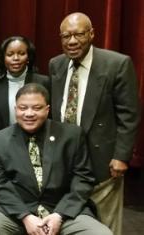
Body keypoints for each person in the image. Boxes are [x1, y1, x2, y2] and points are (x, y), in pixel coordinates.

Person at [49, 12, 140, 235]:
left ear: (91, 34)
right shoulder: (56, 64)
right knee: (72, 220)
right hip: (66, 158)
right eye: (65, 36)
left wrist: (121, 155)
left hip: (104, 159)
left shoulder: (117, 64)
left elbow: (129, 114)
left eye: (78, 34)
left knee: (106, 222)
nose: (72, 41)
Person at [0, 83, 112, 235]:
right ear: (16, 109)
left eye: (36, 108)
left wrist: (59, 215)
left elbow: (83, 179)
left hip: (63, 210)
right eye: (23, 108)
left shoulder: (71, 135)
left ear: (47, 109)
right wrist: (25, 216)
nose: (29, 113)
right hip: (16, 211)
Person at [0, 36, 49, 140]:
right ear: (3, 58)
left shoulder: (44, 83)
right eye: (10, 54)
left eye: (21, 53)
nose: (16, 58)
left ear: (28, 57)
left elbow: (51, 119)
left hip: (39, 143)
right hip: (5, 146)